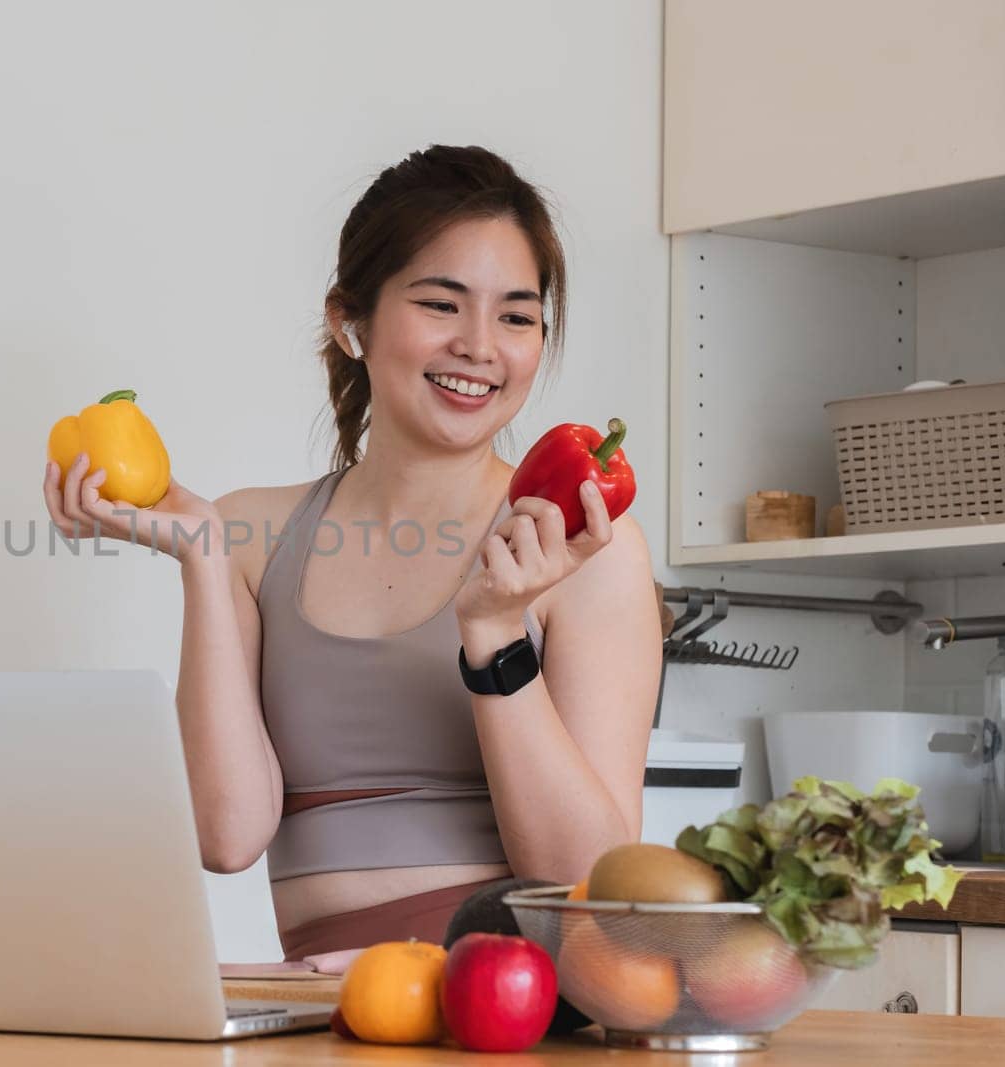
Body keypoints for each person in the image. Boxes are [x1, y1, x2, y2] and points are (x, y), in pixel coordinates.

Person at [42, 144, 662, 967]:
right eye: (442, 304)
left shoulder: (583, 548)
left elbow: (591, 882)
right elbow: (227, 837)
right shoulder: (249, 536)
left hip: (510, 1010)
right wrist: (201, 558)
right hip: (324, 1014)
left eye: (516, 315)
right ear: (350, 320)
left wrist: (495, 632)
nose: (481, 346)